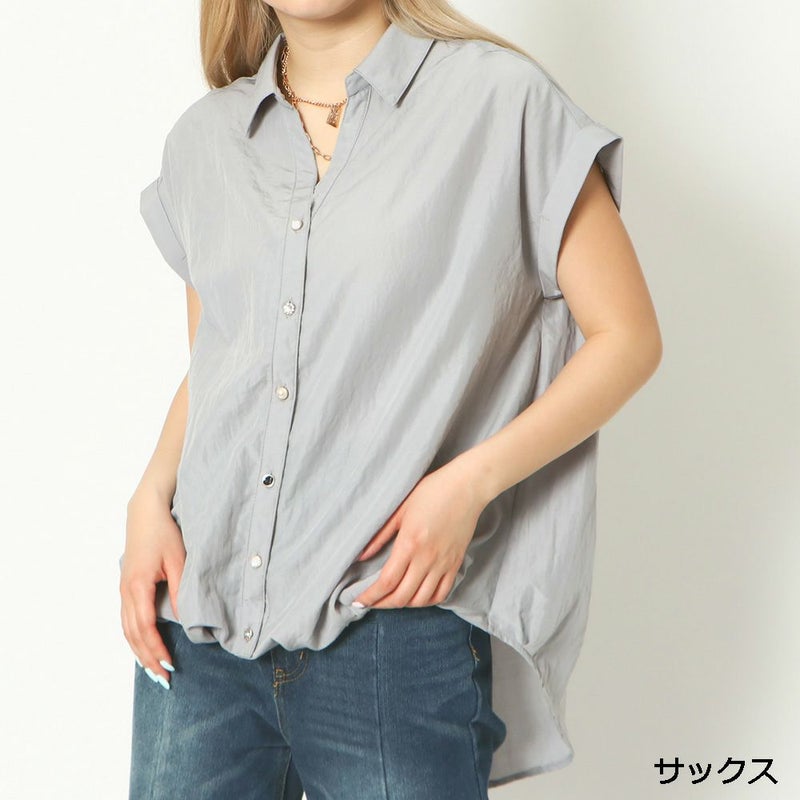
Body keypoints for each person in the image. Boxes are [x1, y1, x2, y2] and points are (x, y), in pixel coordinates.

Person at [119, 0, 662, 797]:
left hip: (390, 625)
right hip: (201, 626)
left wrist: (468, 486)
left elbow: (627, 336)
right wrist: (149, 498)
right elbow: (222, 364)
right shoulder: (206, 139)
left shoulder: (499, 101)